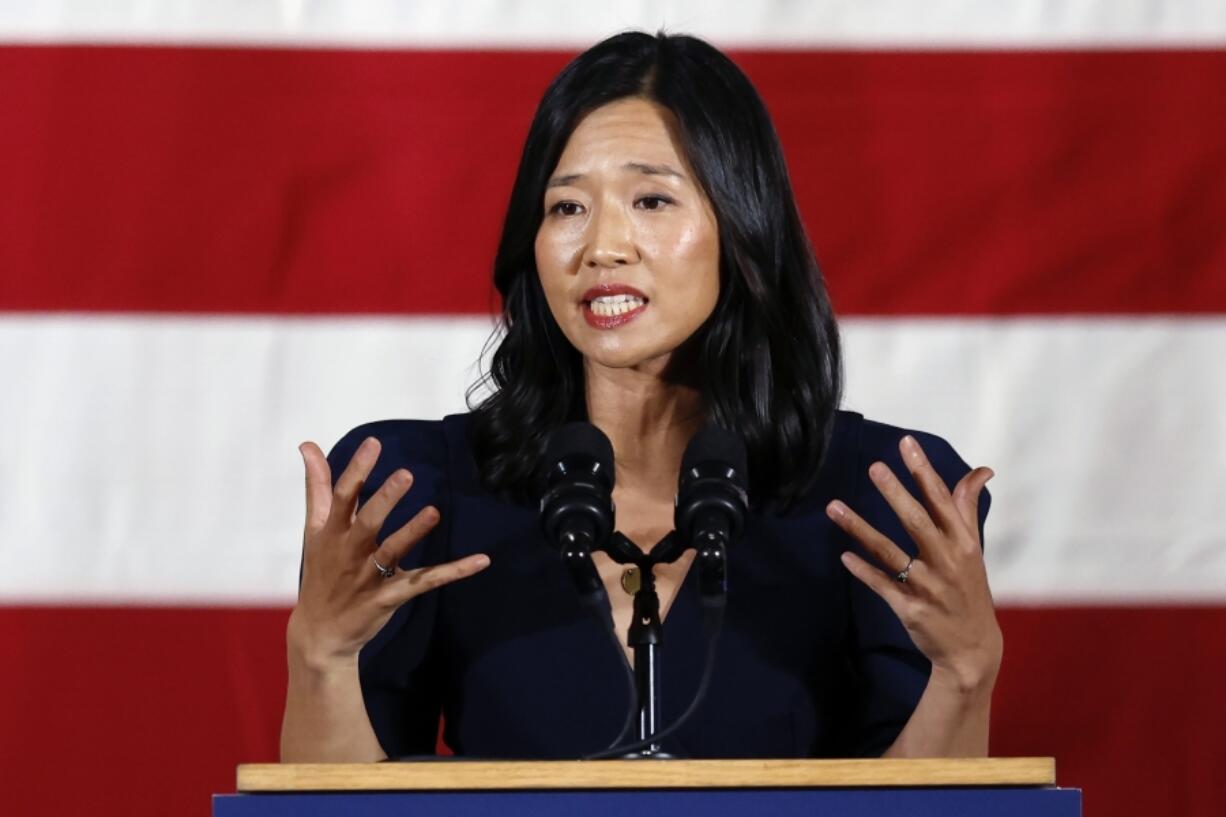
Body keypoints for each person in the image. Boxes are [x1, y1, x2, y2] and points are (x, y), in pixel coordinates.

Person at [280, 31, 1002, 763]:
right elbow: (338, 805)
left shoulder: (878, 498)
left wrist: (965, 674)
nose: (602, 246)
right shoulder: (417, 492)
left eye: (652, 199)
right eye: (566, 208)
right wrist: (322, 658)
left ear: (742, 224)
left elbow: (923, 804)